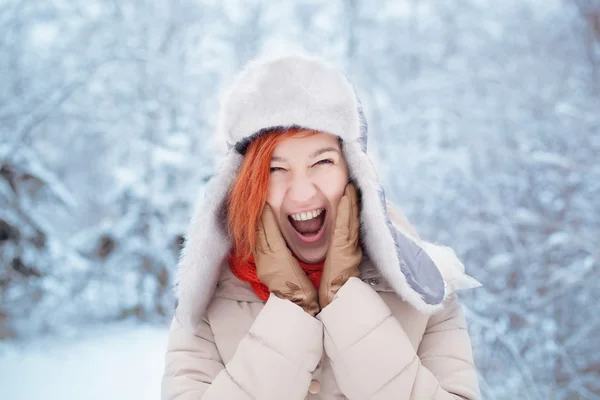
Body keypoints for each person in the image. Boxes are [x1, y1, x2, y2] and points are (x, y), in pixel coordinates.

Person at [161, 53, 483, 400]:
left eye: (322, 162)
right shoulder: (210, 300)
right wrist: (291, 311)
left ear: (354, 171)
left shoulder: (424, 286)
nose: (302, 193)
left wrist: (346, 303)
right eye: (274, 169)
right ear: (245, 183)